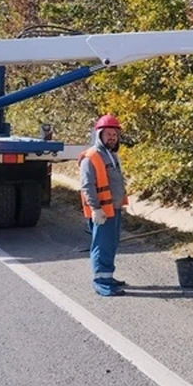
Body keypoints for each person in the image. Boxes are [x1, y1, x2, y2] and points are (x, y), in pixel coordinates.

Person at [79, 114, 129, 296]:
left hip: (113, 209)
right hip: (102, 211)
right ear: (99, 134)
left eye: (114, 134)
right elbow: (87, 185)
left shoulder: (111, 155)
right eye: (108, 134)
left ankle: (108, 276)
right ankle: (102, 283)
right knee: (102, 245)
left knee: (110, 243)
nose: (112, 137)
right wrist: (96, 209)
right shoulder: (91, 157)